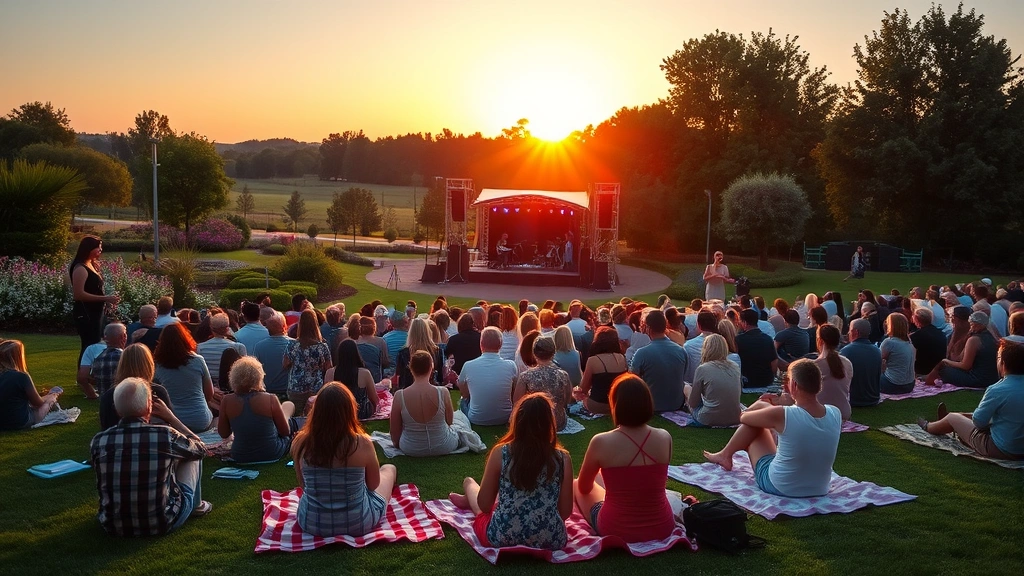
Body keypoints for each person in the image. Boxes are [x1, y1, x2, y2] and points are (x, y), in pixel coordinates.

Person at [448, 393, 573, 550]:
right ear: (550, 423)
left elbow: (485, 505)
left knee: (469, 482)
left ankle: (468, 493)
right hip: (552, 539)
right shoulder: (563, 458)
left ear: (517, 421)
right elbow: (565, 512)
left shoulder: (501, 453)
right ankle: (468, 498)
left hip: (501, 536)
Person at [704, 359, 842, 498]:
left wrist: (762, 404)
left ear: (793, 384)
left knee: (754, 425)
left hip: (781, 486)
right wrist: (771, 407)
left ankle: (725, 455)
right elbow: (800, 417)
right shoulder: (835, 412)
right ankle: (725, 455)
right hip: (819, 488)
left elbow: (744, 417)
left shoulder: (782, 414)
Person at [91, 377, 211, 536]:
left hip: (112, 525)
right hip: (162, 523)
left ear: (117, 410)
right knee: (192, 456)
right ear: (149, 406)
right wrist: (171, 418)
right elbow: (200, 450)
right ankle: (197, 506)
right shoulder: (165, 435)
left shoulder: (99, 441)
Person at [574, 374, 676, 542]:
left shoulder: (601, 441)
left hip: (616, 528)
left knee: (577, 484)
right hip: (662, 526)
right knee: (601, 478)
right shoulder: (665, 437)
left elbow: (585, 488)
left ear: (615, 404)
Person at [291, 382, 397, 537]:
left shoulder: (302, 442)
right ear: (349, 410)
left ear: (317, 411)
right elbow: (373, 485)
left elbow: (303, 484)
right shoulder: (362, 443)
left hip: (312, 522)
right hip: (358, 522)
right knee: (389, 469)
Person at [918, 339, 1024, 460]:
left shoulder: (998, 390)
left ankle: (929, 426)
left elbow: (979, 422)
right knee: (964, 417)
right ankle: (947, 421)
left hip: (1002, 449)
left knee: (953, 417)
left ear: (1003, 363)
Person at [218, 357, 294, 463]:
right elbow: (285, 432)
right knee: (288, 405)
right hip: (271, 453)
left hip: (240, 455)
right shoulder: (270, 398)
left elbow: (224, 433)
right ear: (259, 376)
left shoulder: (227, 400)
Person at [153, 322, 221, 433]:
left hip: (173, 421)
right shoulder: (198, 360)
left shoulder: (158, 365)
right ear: (185, 338)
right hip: (200, 419)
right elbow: (209, 394)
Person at [390, 351, 459, 457]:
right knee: (461, 418)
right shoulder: (442, 392)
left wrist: (398, 444)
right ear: (431, 368)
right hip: (444, 445)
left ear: (411, 368)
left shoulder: (400, 396)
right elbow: (449, 422)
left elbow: (394, 433)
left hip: (411, 447)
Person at [98, 343, 173, 430]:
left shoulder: (110, 395)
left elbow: (105, 426)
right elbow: (169, 424)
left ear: (122, 364)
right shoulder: (158, 393)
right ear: (149, 365)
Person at [70, 236, 120, 367]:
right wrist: (105, 298)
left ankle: (92, 374)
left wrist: (106, 302)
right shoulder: (80, 268)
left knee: (95, 343)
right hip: (85, 313)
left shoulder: (91, 264)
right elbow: (78, 294)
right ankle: (83, 377)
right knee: (89, 345)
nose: (100, 250)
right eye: (98, 248)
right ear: (89, 249)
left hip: (96, 312)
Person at [629, 309, 688, 412]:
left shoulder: (641, 353)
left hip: (651, 405)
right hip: (676, 403)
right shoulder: (681, 350)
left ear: (648, 328)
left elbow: (632, 381)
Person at [457, 327, 519, 426]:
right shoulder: (511, 365)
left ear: (481, 345)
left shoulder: (468, 365)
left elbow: (463, 391)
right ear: (501, 345)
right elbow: (514, 390)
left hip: (476, 418)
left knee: (463, 401)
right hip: (505, 416)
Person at [926, 311, 999, 389]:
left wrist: (945, 361)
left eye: (971, 325)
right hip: (993, 379)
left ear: (977, 324)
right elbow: (960, 359)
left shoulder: (974, 340)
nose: (970, 328)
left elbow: (965, 366)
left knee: (944, 370)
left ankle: (928, 381)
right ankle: (927, 378)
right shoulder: (992, 338)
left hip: (979, 380)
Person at [0, 340, 62, 431]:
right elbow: (37, 403)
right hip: (19, 422)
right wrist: (50, 395)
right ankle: (54, 394)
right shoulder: (21, 376)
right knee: (49, 400)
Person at [514, 337, 572, 431]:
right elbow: (567, 400)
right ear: (553, 353)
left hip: (534, 422)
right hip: (558, 422)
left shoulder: (525, 376)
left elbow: (517, 402)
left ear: (534, 353)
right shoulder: (563, 375)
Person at [685, 334, 743, 427]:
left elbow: (693, 403)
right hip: (735, 418)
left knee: (687, 388)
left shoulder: (703, 369)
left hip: (707, 418)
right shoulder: (735, 366)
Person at [283, 309, 333, 415]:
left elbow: (285, 364)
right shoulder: (322, 347)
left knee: (296, 418)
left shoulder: (292, 345)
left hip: (296, 388)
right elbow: (329, 368)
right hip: (315, 388)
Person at [574, 326, 628, 415]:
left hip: (597, 405)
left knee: (578, 393)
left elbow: (583, 388)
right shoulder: (621, 358)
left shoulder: (593, 360)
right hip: (617, 404)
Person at [325, 339, 379, 420]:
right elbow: (374, 399)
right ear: (356, 353)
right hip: (360, 416)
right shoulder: (365, 373)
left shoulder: (330, 373)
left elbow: (326, 401)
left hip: (337, 417)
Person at [812, 325, 853, 421]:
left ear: (820, 341)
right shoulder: (847, 363)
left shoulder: (815, 366)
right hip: (843, 413)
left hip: (822, 415)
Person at [196, 314, 247, 390]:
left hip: (209, 389)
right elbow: (244, 372)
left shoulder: (200, 347)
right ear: (227, 328)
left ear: (211, 327)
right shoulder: (239, 347)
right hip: (232, 389)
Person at [394, 318, 445, 390]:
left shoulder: (403, 353)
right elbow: (440, 378)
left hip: (409, 392)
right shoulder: (437, 351)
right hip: (432, 390)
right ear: (427, 332)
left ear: (411, 333)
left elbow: (400, 378)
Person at [840, 318, 882, 406]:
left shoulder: (846, 352)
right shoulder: (877, 351)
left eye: (850, 330)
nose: (848, 333)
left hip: (854, 400)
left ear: (856, 332)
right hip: (873, 399)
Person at [735, 309, 778, 389]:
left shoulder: (738, 340)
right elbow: (774, 362)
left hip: (747, 381)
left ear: (745, 322)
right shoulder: (768, 339)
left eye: (740, 321)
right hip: (766, 380)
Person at [253, 312, 294, 395]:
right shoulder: (294, 344)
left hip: (268, 391)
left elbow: (255, 370)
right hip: (289, 390)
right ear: (284, 326)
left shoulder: (259, 346)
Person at [878, 313, 917, 394]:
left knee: (867, 376)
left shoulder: (889, 342)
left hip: (893, 384)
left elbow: (876, 361)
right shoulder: (910, 343)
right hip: (910, 385)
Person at [89, 323, 127, 397]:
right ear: (124, 336)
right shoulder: (126, 358)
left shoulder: (98, 359)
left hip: (105, 403)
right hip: (123, 402)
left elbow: (92, 379)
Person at [910, 307, 947, 375]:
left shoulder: (916, 336)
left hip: (923, 370)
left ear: (917, 319)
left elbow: (911, 356)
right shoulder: (940, 333)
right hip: (940, 369)